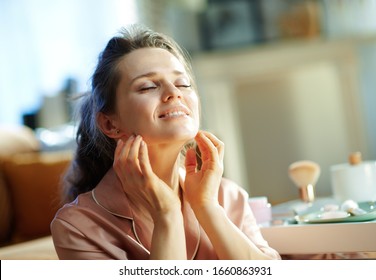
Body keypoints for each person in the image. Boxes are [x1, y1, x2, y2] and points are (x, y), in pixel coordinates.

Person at [50, 23, 281, 260]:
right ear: (110, 124)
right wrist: (167, 213)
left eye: (183, 83)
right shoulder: (78, 227)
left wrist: (206, 207)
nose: (174, 92)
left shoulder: (226, 196)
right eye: (148, 86)